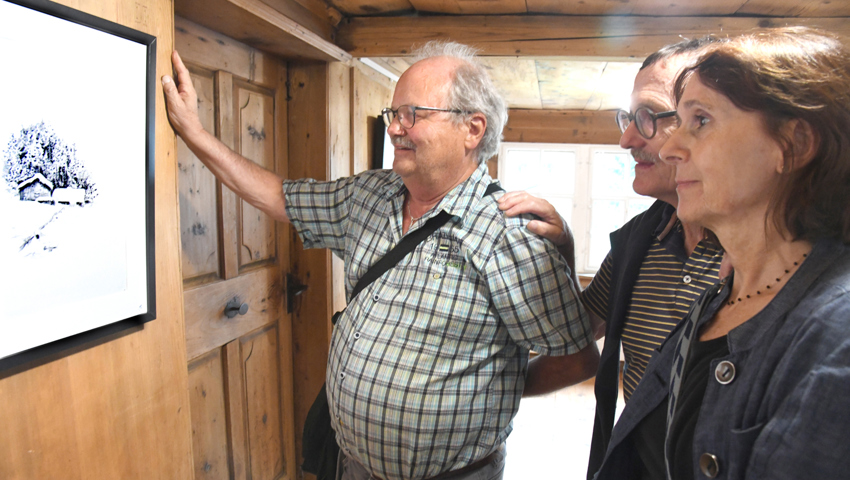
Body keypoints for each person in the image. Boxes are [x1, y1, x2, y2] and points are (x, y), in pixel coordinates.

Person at [162, 41, 599, 480]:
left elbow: (577, 360)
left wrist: (491, 393)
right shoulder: (369, 196)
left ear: (473, 129)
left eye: (413, 114)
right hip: (350, 465)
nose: (395, 128)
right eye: (394, 114)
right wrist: (195, 134)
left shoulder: (510, 233)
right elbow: (280, 196)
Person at [594, 26, 850, 479]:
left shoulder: (835, 336)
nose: (670, 147)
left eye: (701, 121)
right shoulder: (723, 293)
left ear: (792, 145)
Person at [498, 37, 726, 477]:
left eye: (647, 117)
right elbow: (574, 332)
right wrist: (563, 250)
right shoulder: (641, 240)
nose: (625, 140)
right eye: (627, 118)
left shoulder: (769, 257)